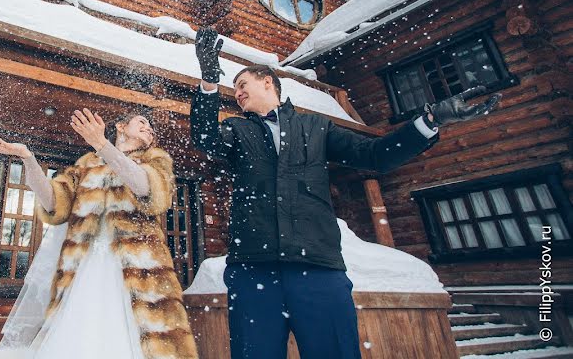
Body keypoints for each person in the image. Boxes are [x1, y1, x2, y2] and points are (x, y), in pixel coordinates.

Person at [189, 27, 501, 359]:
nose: (237, 93)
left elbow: (376, 155)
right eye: (234, 88)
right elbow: (205, 137)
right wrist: (209, 83)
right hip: (254, 270)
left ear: (268, 82)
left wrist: (429, 121)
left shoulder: (316, 128)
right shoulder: (237, 130)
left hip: (319, 270)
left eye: (242, 84)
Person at [0, 109, 198, 359]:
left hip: (142, 271)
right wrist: (28, 158)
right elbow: (53, 202)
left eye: (152, 129)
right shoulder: (86, 166)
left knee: (146, 338)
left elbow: (145, 188)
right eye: (142, 122)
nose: (149, 129)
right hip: (87, 267)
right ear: (121, 126)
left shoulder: (155, 160)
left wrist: (101, 144)